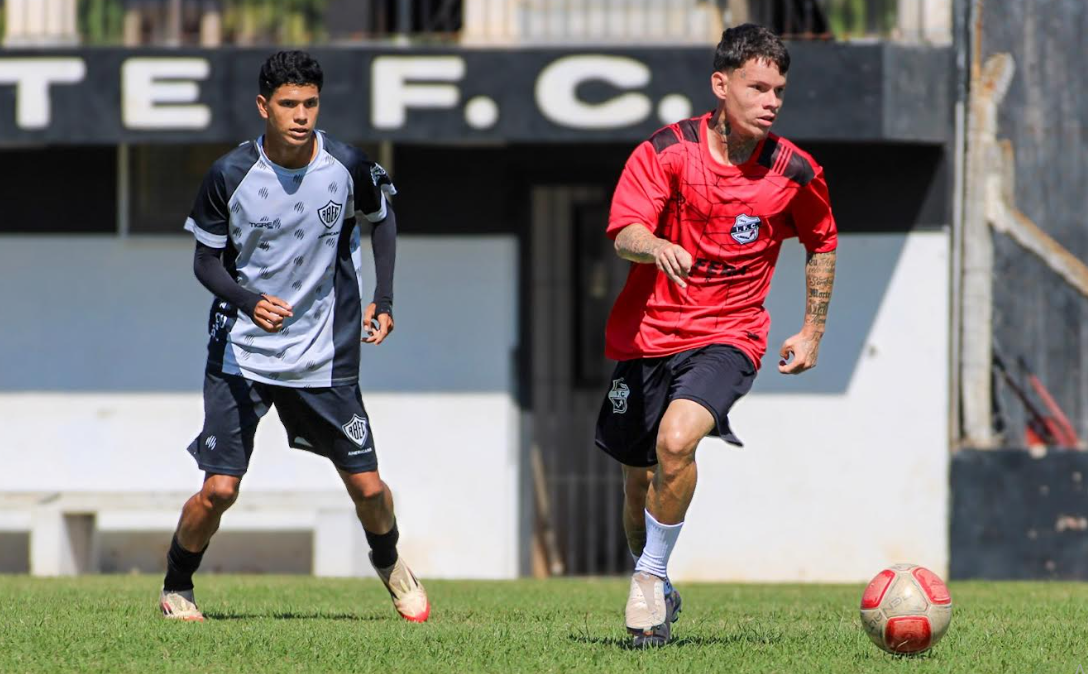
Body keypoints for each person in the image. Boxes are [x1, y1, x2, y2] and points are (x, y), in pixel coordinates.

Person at [158, 50, 429, 623]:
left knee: (371, 489)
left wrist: (385, 299)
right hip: (242, 354)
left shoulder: (347, 165)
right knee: (219, 492)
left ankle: (389, 562)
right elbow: (206, 265)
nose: (301, 115)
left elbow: (382, 220)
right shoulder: (229, 175)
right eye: (288, 104)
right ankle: (177, 585)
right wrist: (249, 302)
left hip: (322, 356)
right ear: (264, 107)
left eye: (309, 103)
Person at [595, 24, 837, 646]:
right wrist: (655, 246)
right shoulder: (666, 151)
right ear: (720, 85)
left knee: (678, 442)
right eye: (758, 87)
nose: (771, 100)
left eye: (779, 89)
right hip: (648, 337)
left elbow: (821, 240)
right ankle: (656, 577)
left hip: (730, 335)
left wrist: (812, 328)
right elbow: (624, 232)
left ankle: (648, 577)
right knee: (636, 480)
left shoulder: (795, 171)